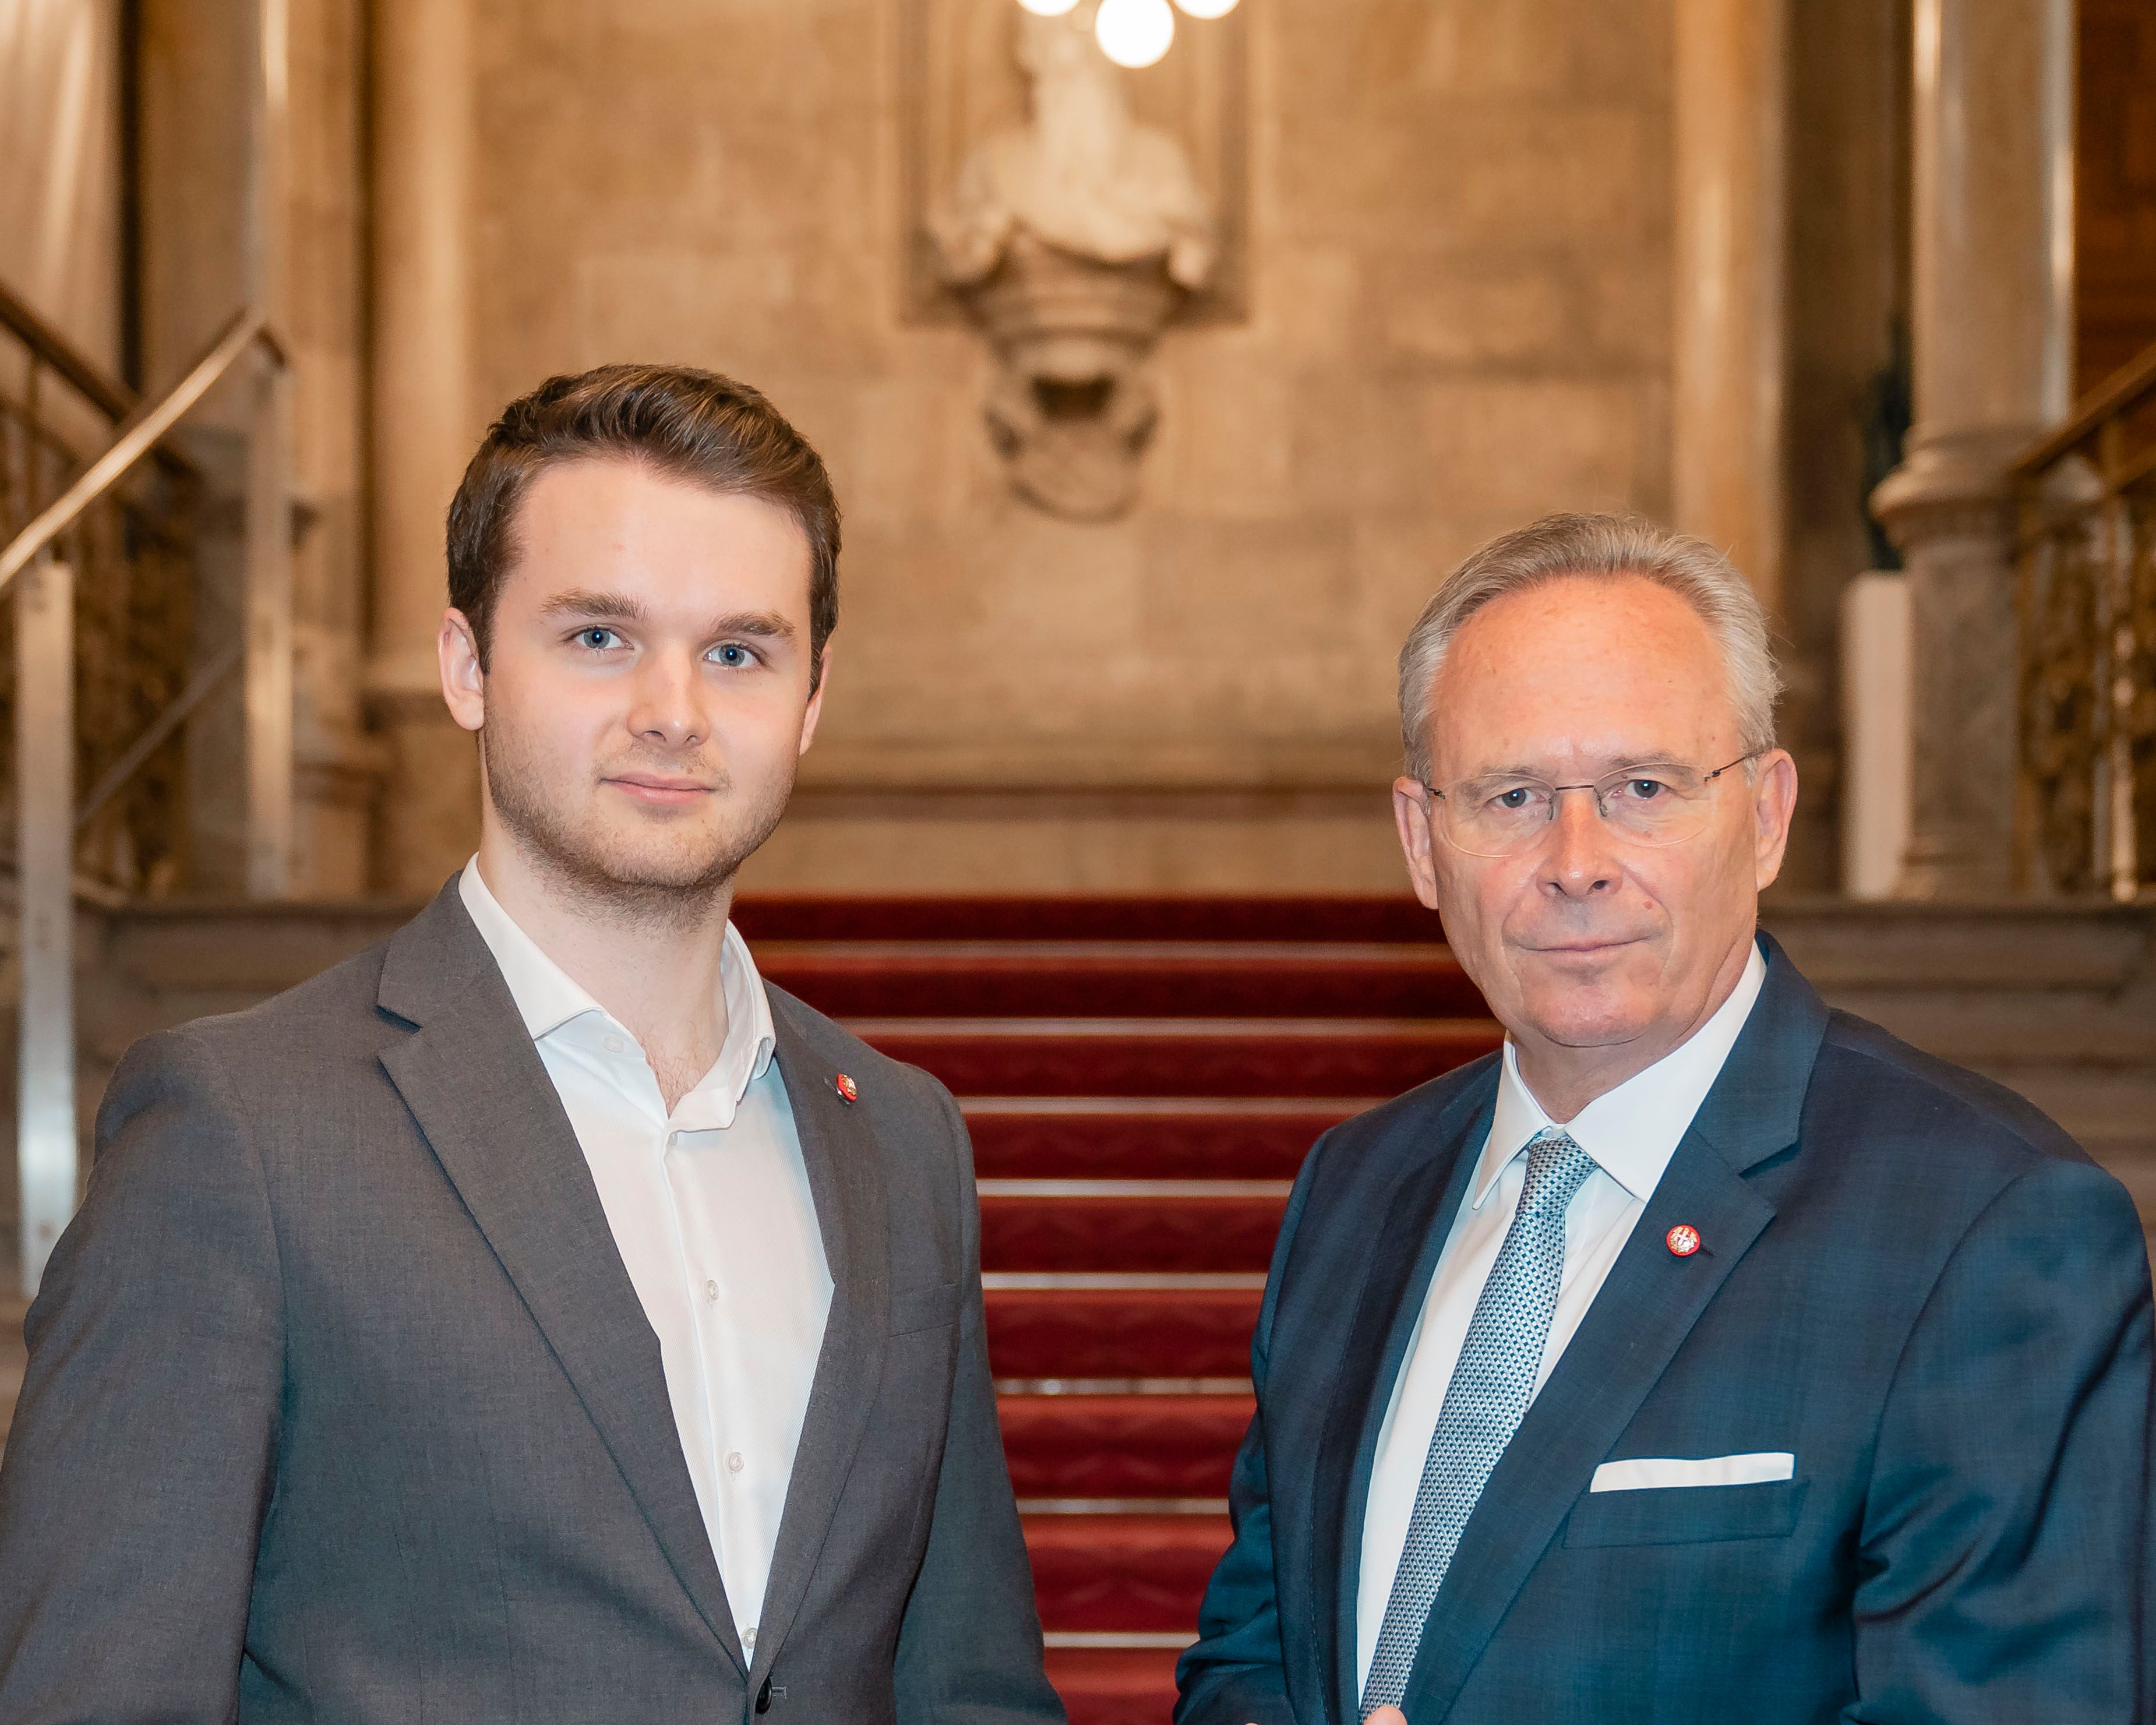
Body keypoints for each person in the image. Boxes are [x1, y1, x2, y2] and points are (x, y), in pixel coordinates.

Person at [0, 364, 1065, 1725]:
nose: (674, 708)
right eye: (599, 637)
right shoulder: (242, 1130)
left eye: (738, 650)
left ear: (810, 697)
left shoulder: (902, 1136)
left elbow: (967, 1681)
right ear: (467, 666)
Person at [1176, 514, 2153, 1725]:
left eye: (1644, 786)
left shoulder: (1990, 1230)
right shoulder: (1355, 1188)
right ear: (1424, 840)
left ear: (1768, 812)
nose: (1576, 859)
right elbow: (1256, 1654)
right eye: (1513, 793)